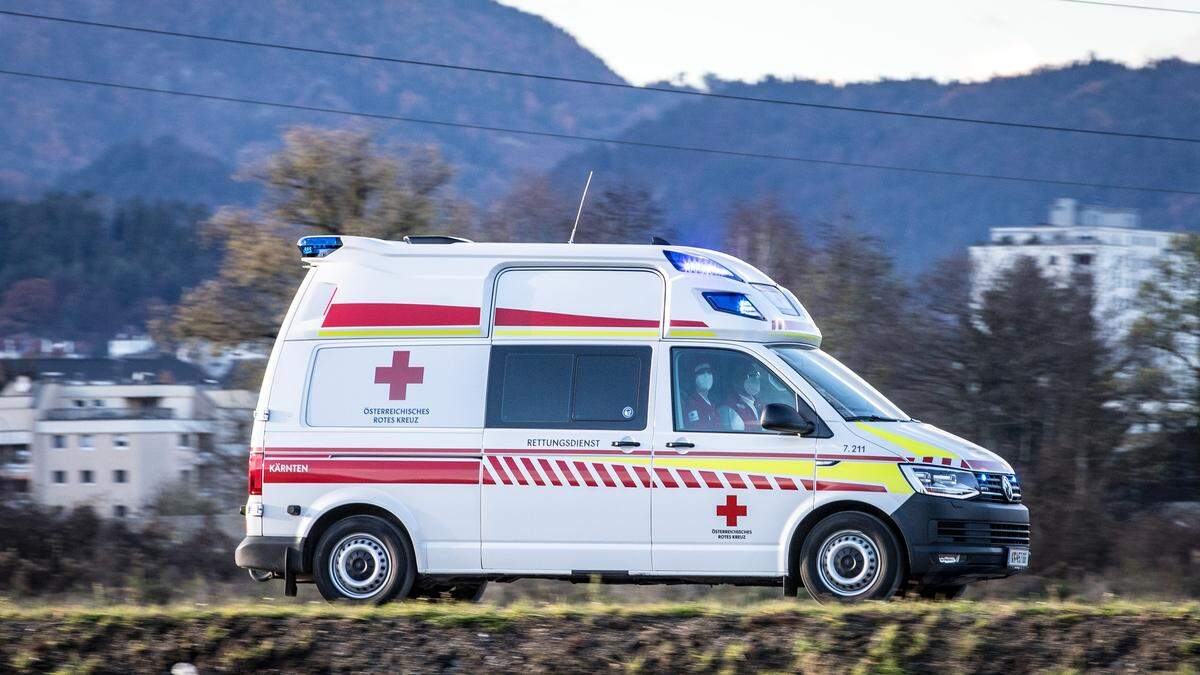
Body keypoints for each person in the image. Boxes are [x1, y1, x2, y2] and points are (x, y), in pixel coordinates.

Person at [721, 364, 763, 432]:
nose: (755, 379)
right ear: (738, 380)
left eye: (756, 375)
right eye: (751, 376)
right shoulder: (730, 408)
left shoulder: (758, 403)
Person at [682, 361, 721, 431]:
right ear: (693, 378)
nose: (706, 375)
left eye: (709, 372)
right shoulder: (692, 404)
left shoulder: (712, 401)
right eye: (701, 372)